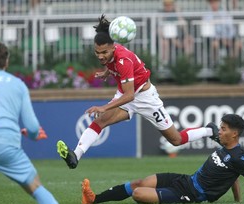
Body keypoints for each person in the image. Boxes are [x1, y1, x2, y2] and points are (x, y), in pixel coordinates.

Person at [56, 14, 219, 169]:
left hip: (145, 97)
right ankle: (75, 156)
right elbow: (116, 73)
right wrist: (107, 72)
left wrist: (104, 107)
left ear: (113, 47)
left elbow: (130, 95)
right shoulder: (111, 53)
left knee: (176, 140)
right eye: (97, 52)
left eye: (104, 52)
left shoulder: (123, 61)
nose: (100, 56)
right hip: (126, 95)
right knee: (100, 121)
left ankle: (209, 130)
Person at [0, 42, 64, 204]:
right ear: (6, 63)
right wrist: (33, 135)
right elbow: (32, 126)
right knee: (35, 186)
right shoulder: (17, 84)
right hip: (6, 146)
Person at [81, 114, 244, 204]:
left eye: (224, 129)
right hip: (186, 180)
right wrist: (237, 201)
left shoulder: (239, 157)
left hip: (192, 194)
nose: (219, 131)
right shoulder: (226, 148)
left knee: (138, 193)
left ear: (234, 133)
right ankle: (95, 199)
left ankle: (160, 196)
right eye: (220, 128)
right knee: (141, 182)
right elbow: (233, 176)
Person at [159, 0, 194, 65]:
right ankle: (164, 64)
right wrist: (172, 40)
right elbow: (159, 30)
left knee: (189, 39)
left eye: (170, 4)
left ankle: (187, 63)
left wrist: (178, 13)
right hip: (166, 38)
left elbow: (184, 28)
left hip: (178, 37)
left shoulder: (177, 14)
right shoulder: (161, 14)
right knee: (164, 43)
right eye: (166, 5)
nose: (168, 7)